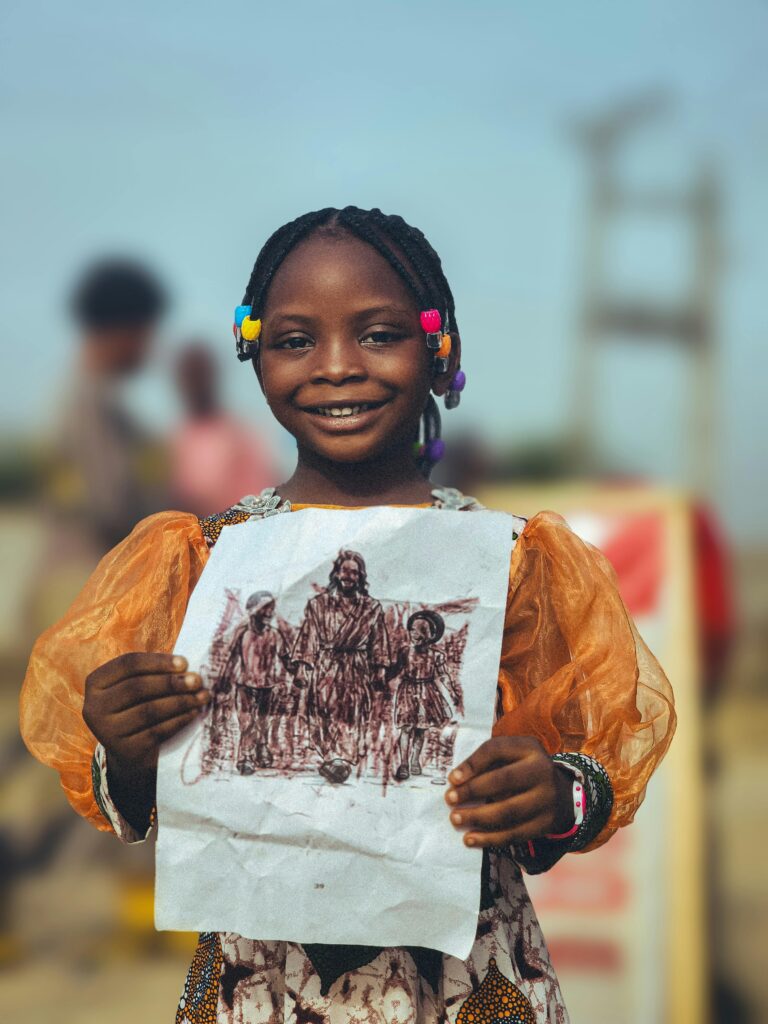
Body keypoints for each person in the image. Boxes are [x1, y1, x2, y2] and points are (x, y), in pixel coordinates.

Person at [20, 207, 675, 1024]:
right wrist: (126, 742)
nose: (336, 367)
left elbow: (593, 754)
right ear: (251, 352)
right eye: (296, 340)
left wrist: (553, 793)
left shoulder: (511, 565)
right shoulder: (202, 565)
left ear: (444, 353)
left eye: (378, 335)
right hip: (264, 988)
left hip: (465, 983)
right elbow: (143, 806)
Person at [290, 549, 390, 784]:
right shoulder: (319, 604)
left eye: (354, 573)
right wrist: (303, 666)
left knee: (352, 711)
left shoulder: (371, 607)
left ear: (360, 576)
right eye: (344, 570)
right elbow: (309, 635)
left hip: (356, 666)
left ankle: (342, 760)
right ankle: (330, 757)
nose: (349, 576)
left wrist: (380, 670)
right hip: (326, 664)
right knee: (323, 710)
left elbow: (379, 640)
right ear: (336, 573)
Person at [170, 343, 276, 518]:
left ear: (212, 377)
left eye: (200, 375)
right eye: (189, 376)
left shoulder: (239, 438)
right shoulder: (176, 441)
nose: (195, 384)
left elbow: (258, 501)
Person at [212, 591, 286, 774]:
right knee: (247, 722)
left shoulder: (275, 635)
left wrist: (298, 672)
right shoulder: (242, 633)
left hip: (268, 686)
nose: (269, 612)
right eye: (264, 608)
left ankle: (262, 748)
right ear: (252, 610)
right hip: (245, 685)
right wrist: (224, 678)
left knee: (263, 721)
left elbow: (286, 657)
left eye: (271, 608)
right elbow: (230, 658)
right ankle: (245, 756)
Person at [392, 610, 459, 782]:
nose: (414, 634)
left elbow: (443, 675)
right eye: (412, 630)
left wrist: (452, 691)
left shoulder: (436, 655)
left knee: (420, 729)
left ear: (428, 634)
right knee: (406, 728)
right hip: (407, 692)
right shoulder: (405, 652)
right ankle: (404, 763)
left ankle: (415, 759)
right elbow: (396, 670)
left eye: (419, 630)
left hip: (426, 694)